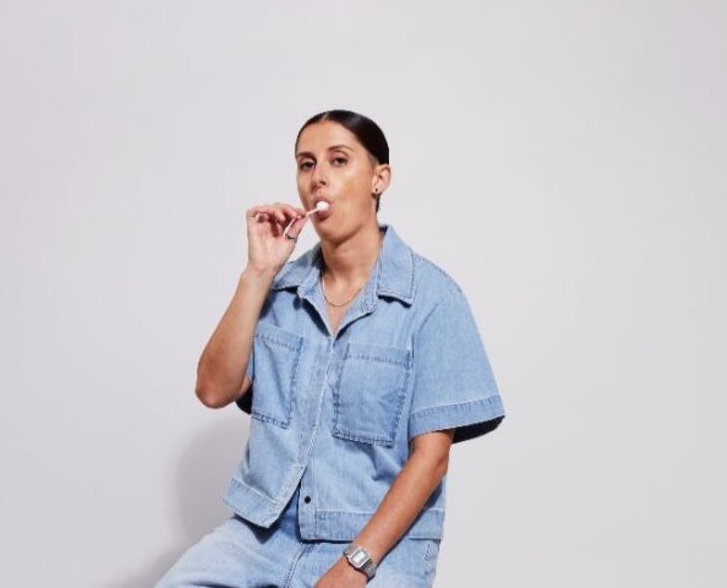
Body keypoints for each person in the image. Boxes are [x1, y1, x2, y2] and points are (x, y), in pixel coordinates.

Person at [155, 109, 506, 587]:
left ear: (379, 178)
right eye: (306, 164)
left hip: (378, 543)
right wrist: (258, 274)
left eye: (338, 161)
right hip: (263, 534)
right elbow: (214, 390)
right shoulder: (279, 292)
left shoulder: (432, 299)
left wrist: (356, 564)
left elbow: (432, 458)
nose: (318, 177)